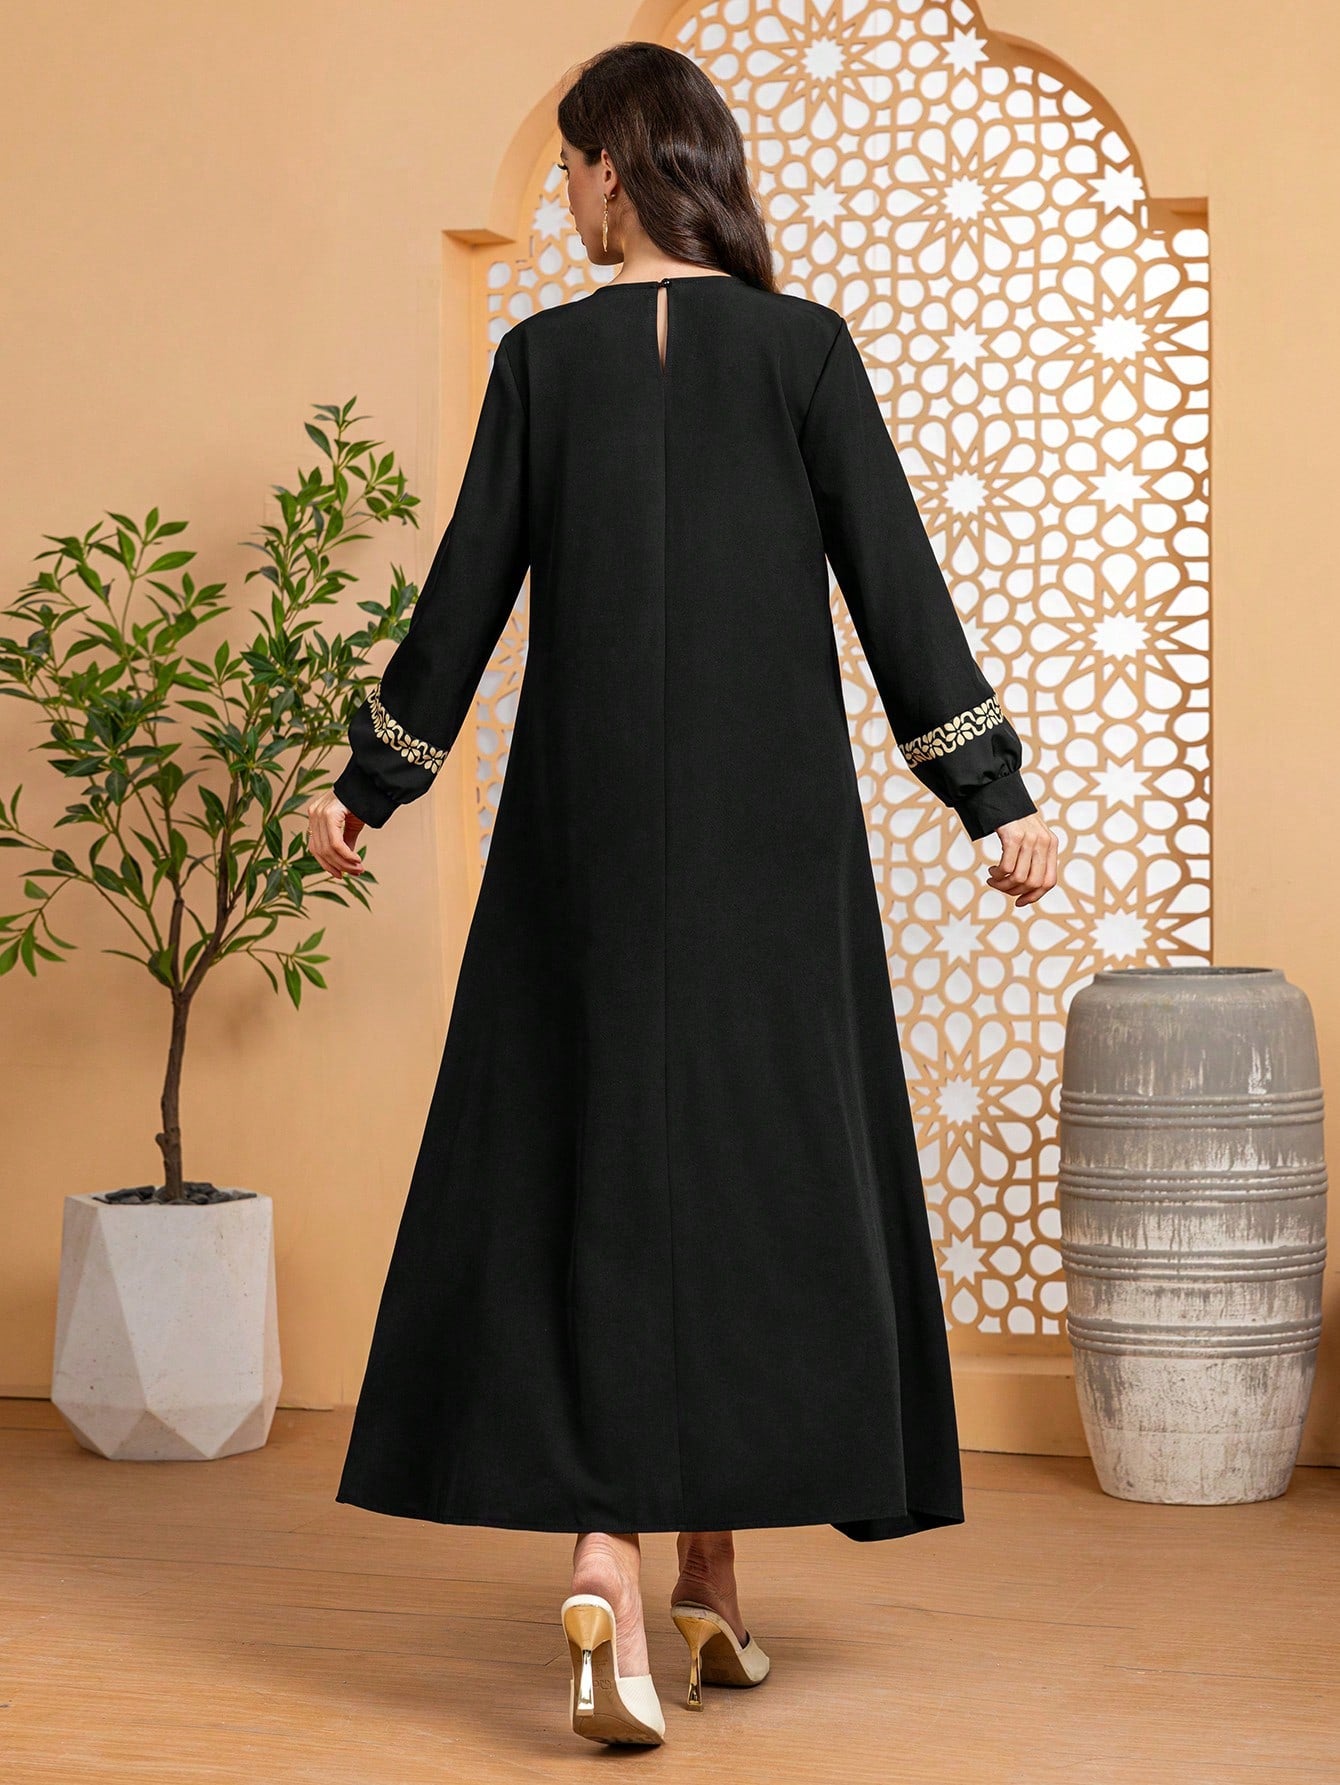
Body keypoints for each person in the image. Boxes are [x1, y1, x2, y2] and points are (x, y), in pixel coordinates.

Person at [306, 39, 1057, 1750]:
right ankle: (650, 1563)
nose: (569, 197)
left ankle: (662, 1570)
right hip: (768, 843)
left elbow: (462, 596)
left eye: (577, 166)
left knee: (597, 1161)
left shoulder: (545, 362)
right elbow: (896, 588)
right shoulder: (803, 352)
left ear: (619, 168)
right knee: (746, 1169)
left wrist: (371, 783)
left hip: (584, 838)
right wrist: (991, 794)